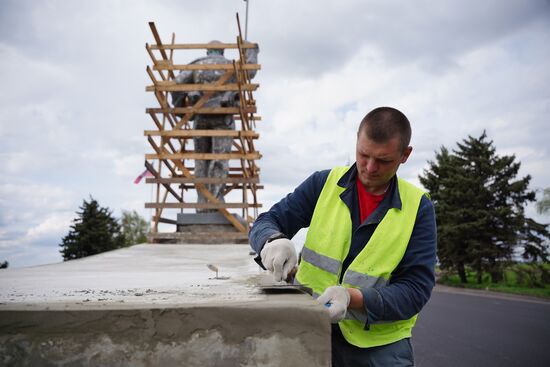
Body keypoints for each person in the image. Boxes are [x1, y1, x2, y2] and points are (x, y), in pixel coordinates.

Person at [249, 107, 437, 366]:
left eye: (383, 161)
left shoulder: (418, 208)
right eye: (363, 155)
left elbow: (415, 290)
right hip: (313, 328)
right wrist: (271, 241)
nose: (370, 168)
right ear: (357, 140)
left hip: (378, 346)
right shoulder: (323, 184)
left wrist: (353, 298)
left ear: (405, 155)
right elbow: (266, 222)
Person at [172, 41, 259, 212]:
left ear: (207, 51)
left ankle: (202, 203)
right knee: (220, 159)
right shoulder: (231, 66)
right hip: (223, 118)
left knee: (201, 160)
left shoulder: (196, 65)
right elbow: (250, 72)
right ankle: (215, 201)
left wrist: (180, 109)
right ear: (223, 51)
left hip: (200, 119)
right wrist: (252, 50)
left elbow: (176, 84)